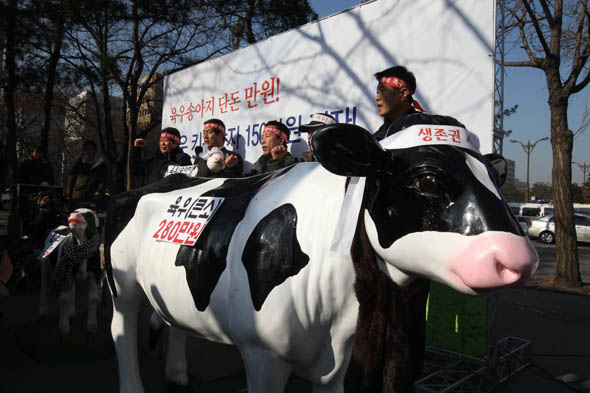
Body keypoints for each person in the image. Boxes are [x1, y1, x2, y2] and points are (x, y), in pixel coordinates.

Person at [373, 65, 426, 140]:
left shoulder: (425, 128)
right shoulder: (377, 138)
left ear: (403, 93)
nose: (377, 97)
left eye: (383, 90)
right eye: (377, 93)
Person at [65, 140, 108, 207]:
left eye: (91, 149)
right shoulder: (78, 165)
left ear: (94, 151)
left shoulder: (101, 166)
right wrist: (68, 195)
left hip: (92, 198)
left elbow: (103, 181)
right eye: (86, 149)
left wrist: (99, 191)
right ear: (84, 151)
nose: (88, 152)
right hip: (77, 197)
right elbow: (70, 180)